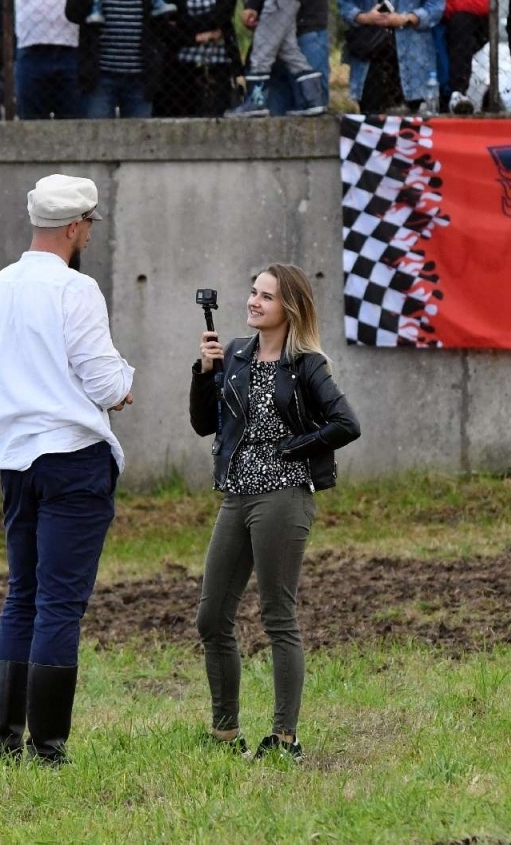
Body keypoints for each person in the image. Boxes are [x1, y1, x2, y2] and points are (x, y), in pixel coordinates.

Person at [0, 173, 135, 767]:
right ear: (74, 226)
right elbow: (103, 380)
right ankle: (48, 748)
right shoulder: (76, 289)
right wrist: (124, 383)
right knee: (61, 603)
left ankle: (4, 741)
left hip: (14, 458)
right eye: (89, 224)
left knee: (22, 595)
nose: (88, 233)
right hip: (72, 455)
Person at [190, 264, 360, 762]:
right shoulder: (236, 355)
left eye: (266, 296)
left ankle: (285, 738)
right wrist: (205, 372)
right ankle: (225, 732)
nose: (253, 301)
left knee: (277, 615)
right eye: (252, 292)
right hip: (236, 495)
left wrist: (295, 448)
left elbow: (347, 423)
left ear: (290, 308)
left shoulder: (306, 363)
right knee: (211, 616)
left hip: (284, 496)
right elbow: (205, 425)